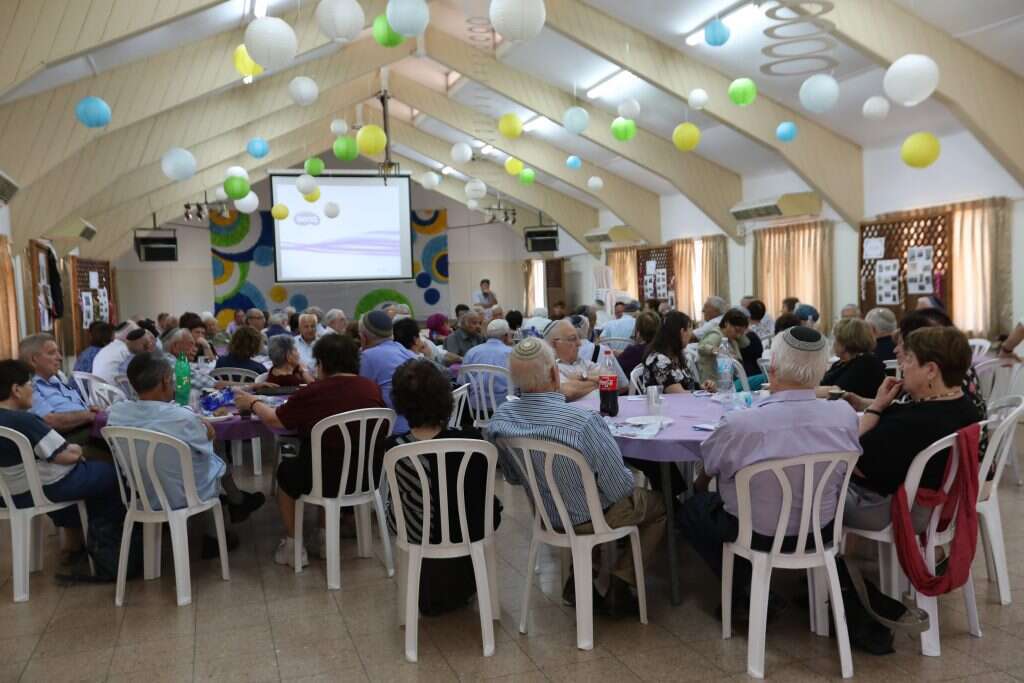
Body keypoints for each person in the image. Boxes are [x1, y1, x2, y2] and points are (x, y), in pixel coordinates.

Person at [678, 326, 861, 618]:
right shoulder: (845, 416)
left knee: (692, 509)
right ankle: (750, 589)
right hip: (822, 529)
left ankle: (743, 588)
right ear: (823, 370)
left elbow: (710, 467)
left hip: (756, 533)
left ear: (772, 367)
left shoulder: (740, 424)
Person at [485, 338, 666, 614]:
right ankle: (621, 582)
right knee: (658, 505)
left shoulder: (501, 420)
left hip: (547, 515)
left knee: (581, 491)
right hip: (590, 518)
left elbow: (512, 476)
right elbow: (619, 488)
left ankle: (580, 578)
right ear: (555, 373)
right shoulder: (583, 422)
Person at [234, 334, 387, 567]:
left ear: (322, 363)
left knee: (288, 471)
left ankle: (294, 545)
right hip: (366, 475)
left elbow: (276, 420)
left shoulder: (313, 392)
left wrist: (253, 403)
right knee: (330, 458)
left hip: (322, 477)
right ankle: (324, 536)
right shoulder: (371, 388)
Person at [107, 354, 265, 556]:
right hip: (184, 494)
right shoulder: (181, 417)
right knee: (212, 462)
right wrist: (208, 432)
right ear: (166, 380)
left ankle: (234, 503)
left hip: (143, 493)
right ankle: (216, 534)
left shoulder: (117, 413)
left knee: (197, 463)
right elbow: (205, 447)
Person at [382, 359, 502, 615]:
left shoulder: (394, 448)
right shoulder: (472, 441)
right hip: (473, 529)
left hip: (416, 532)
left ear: (399, 402)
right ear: (445, 396)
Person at [844, 327, 980, 532]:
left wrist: (876, 408)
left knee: (812, 493)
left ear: (931, 370)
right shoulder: (966, 407)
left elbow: (853, 458)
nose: (901, 365)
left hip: (894, 510)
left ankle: (810, 558)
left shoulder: (914, 423)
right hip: (936, 505)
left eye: (908, 359)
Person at [0, 359, 124, 570]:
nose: (33, 390)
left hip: (7, 496)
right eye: (30, 385)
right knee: (112, 474)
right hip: (41, 489)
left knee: (78, 480)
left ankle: (76, 541)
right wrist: (77, 452)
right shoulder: (26, 421)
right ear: (16, 390)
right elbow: (64, 455)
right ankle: (108, 548)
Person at [19, 334, 98, 440]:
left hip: (88, 427)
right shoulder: (28, 387)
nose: (60, 358)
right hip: (67, 439)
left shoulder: (56, 379)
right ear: (34, 360)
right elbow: (48, 421)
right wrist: (90, 415)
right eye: (51, 353)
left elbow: (73, 407)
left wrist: (90, 411)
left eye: (58, 352)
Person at [358, 310, 417, 434]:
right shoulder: (407, 352)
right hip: (418, 426)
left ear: (363, 338)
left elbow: (361, 398)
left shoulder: (368, 357)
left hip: (392, 432)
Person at [821, 318, 887, 399]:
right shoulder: (841, 363)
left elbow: (838, 391)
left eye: (835, 339)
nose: (833, 343)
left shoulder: (865, 362)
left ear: (845, 343)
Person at [641, 311, 702, 394]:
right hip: (666, 405)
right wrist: (701, 394)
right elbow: (678, 394)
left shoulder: (676, 356)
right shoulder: (659, 360)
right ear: (682, 332)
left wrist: (703, 388)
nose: (691, 336)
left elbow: (687, 384)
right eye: (690, 331)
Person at [462, 319, 515, 411]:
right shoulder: (512, 353)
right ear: (506, 336)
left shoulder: (471, 352)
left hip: (477, 409)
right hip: (506, 409)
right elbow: (521, 384)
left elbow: (463, 382)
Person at [544, 319, 600, 401]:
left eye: (578, 338)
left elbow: (612, 380)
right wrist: (598, 382)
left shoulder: (581, 362)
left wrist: (583, 377)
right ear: (555, 343)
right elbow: (568, 392)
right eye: (573, 339)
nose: (579, 343)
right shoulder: (549, 366)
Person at [696, 308, 750, 383]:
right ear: (726, 323)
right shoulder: (716, 335)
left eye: (741, 332)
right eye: (737, 330)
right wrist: (715, 350)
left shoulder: (731, 338)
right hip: (716, 384)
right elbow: (702, 347)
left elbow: (746, 343)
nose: (738, 335)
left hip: (730, 381)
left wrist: (741, 332)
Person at [617, 311, 659, 377]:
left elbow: (616, 369)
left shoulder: (633, 351)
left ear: (638, 332)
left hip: (632, 386)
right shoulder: (661, 349)